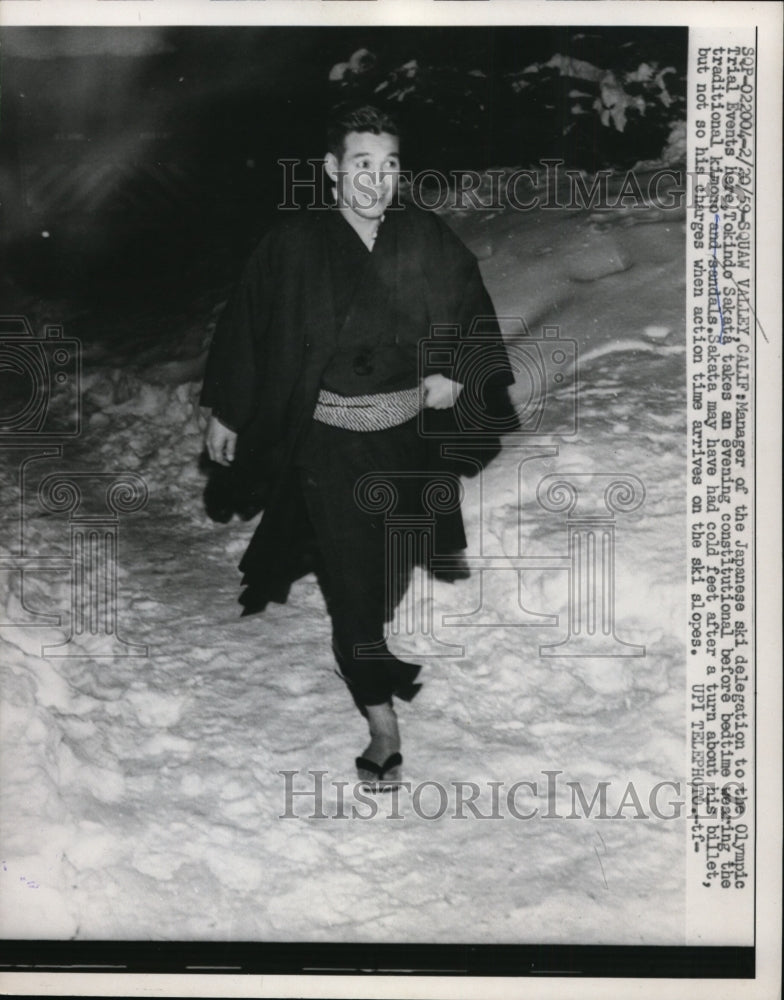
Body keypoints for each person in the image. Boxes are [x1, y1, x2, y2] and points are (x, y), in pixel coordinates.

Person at [201, 104, 514, 788]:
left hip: (404, 445)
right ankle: (382, 727)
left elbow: (472, 312)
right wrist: (227, 410)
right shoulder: (293, 245)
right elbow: (247, 327)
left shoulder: (424, 237)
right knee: (353, 592)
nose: (377, 179)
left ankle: (365, 640)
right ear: (333, 169)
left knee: (385, 577)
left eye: (390, 164)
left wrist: (452, 371)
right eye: (362, 163)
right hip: (328, 447)